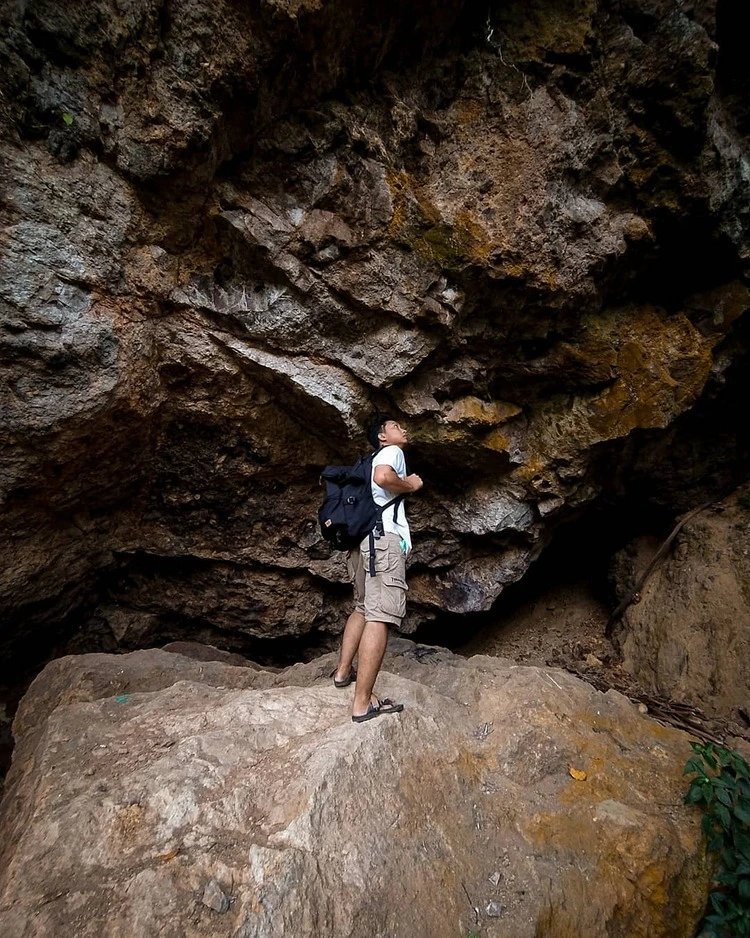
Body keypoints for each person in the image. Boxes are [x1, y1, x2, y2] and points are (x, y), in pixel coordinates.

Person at [332, 415, 423, 722]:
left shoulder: (369, 459)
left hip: (362, 543)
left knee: (361, 607)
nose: (403, 430)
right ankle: (362, 704)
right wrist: (409, 484)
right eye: (396, 426)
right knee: (380, 615)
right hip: (382, 541)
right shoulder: (392, 453)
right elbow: (384, 477)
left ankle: (343, 673)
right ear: (383, 437)